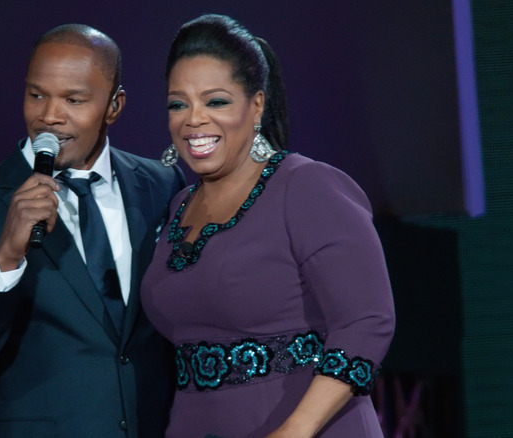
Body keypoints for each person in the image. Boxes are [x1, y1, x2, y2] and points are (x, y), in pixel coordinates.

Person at [0, 24, 185, 437]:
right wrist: (5, 256)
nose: (48, 117)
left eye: (73, 99)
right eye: (36, 94)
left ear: (114, 106)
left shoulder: (161, 184)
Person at [140, 14, 396, 438]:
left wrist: (295, 430)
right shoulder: (178, 207)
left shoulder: (306, 186)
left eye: (215, 101)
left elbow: (368, 321)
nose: (193, 119)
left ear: (256, 105)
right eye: (178, 103)